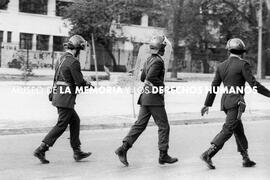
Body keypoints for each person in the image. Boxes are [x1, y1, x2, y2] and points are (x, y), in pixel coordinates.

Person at [200, 38, 270, 169]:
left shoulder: (221, 66)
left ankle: (245, 158)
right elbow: (254, 84)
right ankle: (209, 153)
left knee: (239, 130)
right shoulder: (243, 64)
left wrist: (207, 104)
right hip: (236, 103)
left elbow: (214, 86)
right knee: (228, 129)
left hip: (226, 103)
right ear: (242, 52)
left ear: (229, 51)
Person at [115, 35, 178, 166]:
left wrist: (154, 82)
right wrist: (162, 86)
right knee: (164, 126)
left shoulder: (149, 59)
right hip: (154, 99)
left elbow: (143, 78)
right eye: (164, 47)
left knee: (140, 125)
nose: (165, 48)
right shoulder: (159, 61)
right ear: (161, 48)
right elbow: (150, 77)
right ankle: (163, 155)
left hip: (145, 97)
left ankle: (123, 148)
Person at [33, 35, 92, 164]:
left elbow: (55, 78)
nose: (80, 53)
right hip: (66, 99)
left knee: (75, 121)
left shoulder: (60, 59)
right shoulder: (74, 62)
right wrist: (87, 83)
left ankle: (77, 151)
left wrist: (52, 92)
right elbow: (79, 82)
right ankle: (41, 149)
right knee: (61, 125)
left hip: (58, 96)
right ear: (76, 49)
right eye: (80, 50)